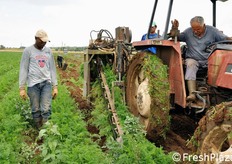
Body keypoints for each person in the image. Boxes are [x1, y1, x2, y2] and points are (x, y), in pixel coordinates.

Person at [170, 16, 232, 101]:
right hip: (193, 59)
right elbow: (176, 37)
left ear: (204, 25)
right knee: (191, 64)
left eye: (198, 29)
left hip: (209, 60)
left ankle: (220, 93)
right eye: (193, 29)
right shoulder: (188, 32)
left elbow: (225, 39)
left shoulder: (213, 31)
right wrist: (174, 28)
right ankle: (192, 94)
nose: (195, 31)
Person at [19, 29, 58, 129]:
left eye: (45, 41)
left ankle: (45, 131)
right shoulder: (28, 51)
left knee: (46, 109)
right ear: (36, 39)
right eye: (41, 41)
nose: (44, 43)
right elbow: (23, 68)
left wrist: (55, 86)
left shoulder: (48, 51)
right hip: (33, 85)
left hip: (46, 83)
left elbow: (52, 69)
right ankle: (38, 129)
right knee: (35, 109)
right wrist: (22, 88)